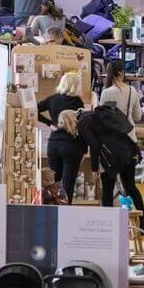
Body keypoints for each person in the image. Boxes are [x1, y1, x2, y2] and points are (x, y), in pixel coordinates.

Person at [77, 101, 144, 231]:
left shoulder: (83, 123)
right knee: (131, 187)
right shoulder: (100, 114)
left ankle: (109, 226)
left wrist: (94, 168)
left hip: (111, 157)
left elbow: (94, 145)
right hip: (128, 150)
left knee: (107, 190)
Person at [37, 74, 87, 204]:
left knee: (54, 183)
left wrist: (50, 123)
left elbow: (34, 109)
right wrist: (84, 148)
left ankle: (52, 212)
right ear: (74, 86)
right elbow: (81, 125)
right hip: (71, 144)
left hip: (54, 144)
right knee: (67, 185)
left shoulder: (52, 99)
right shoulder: (77, 102)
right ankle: (65, 212)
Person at [99, 60, 142, 127]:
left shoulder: (106, 92)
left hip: (112, 131)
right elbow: (137, 116)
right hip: (129, 131)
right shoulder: (132, 90)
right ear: (122, 73)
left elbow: (102, 116)